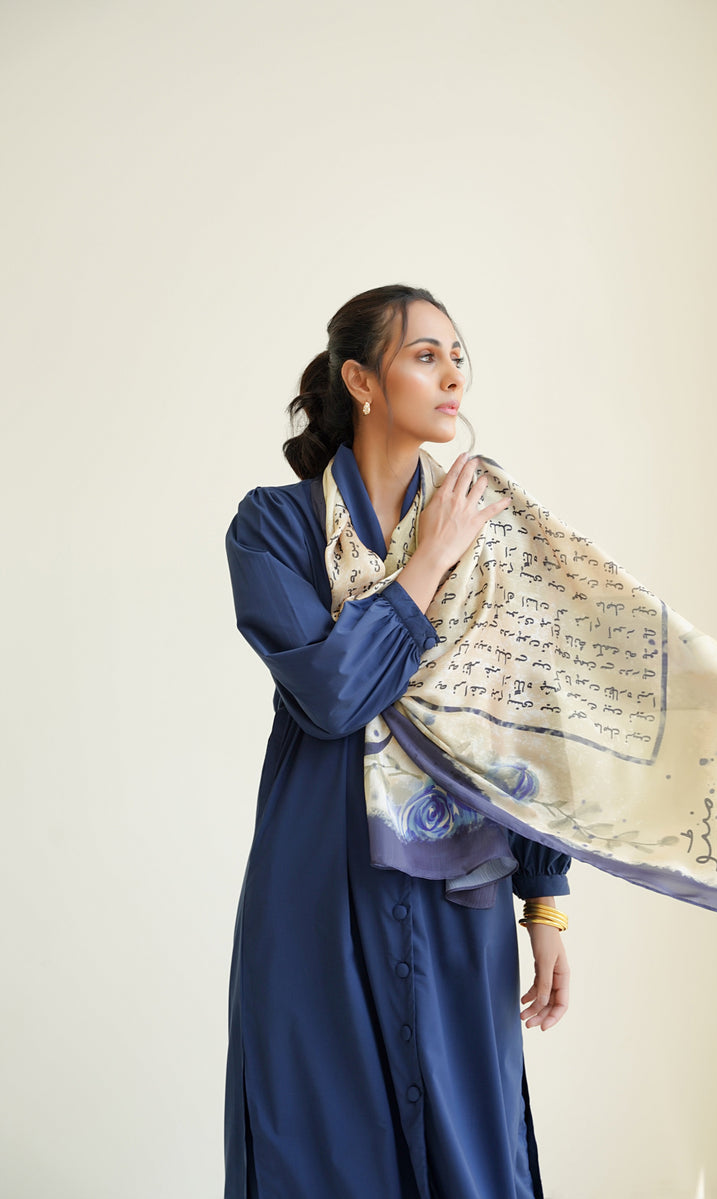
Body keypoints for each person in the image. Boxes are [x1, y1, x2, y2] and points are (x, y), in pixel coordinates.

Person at [224, 284, 572, 1199]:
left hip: (460, 892)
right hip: (317, 894)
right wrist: (425, 565)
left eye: (459, 355)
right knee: (325, 1155)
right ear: (361, 380)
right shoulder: (273, 528)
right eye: (426, 354)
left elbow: (518, 718)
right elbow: (333, 694)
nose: (454, 374)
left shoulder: (487, 532)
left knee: (473, 1156)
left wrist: (545, 901)